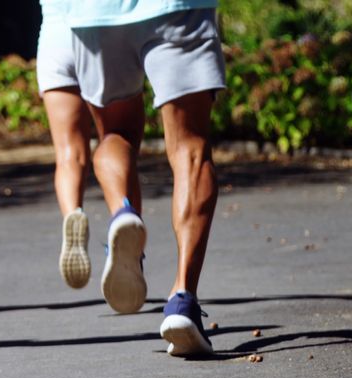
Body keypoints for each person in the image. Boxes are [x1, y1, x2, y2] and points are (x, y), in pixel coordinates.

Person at [68, 0, 226, 356]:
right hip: (176, 9)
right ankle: (182, 299)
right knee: (190, 148)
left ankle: (123, 212)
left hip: (96, 15)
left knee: (116, 134)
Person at [37, 0, 95, 290]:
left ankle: (73, 211)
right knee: (117, 137)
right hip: (101, 35)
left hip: (55, 40)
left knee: (68, 152)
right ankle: (125, 224)